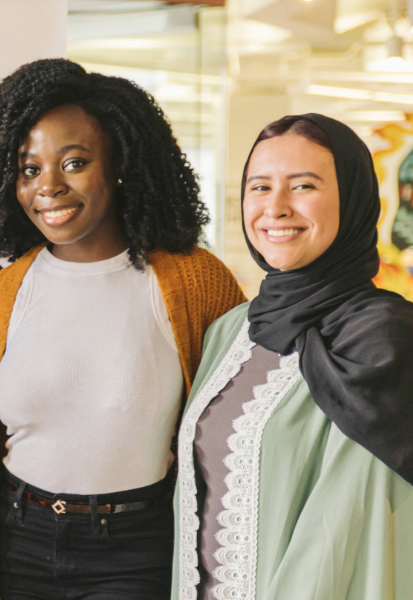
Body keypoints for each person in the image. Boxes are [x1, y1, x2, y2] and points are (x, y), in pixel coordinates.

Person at [0, 58, 245, 599]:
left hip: (135, 547)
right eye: (29, 169)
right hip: (18, 540)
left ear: (120, 165)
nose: (49, 187)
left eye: (75, 162)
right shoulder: (3, 293)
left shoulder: (194, 281)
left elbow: (235, 430)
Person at [172, 114, 413, 600]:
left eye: (303, 185)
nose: (275, 208)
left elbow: (343, 531)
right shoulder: (230, 331)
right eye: (259, 187)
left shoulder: (383, 341)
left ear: (354, 198)